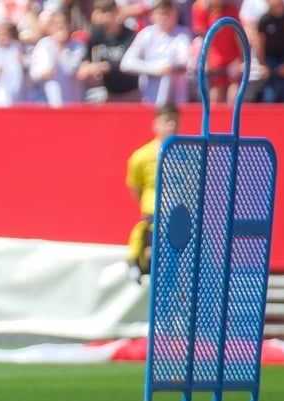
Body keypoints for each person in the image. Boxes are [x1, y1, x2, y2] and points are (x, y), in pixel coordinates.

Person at [125, 103, 179, 284]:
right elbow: (136, 187)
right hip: (153, 218)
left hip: (178, 219)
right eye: (166, 121)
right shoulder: (141, 156)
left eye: (174, 121)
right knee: (150, 262)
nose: (171, 126)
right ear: (155, 124)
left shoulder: (187, 153)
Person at [120, 0, 192, 106]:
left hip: (177, 101)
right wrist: (155, 68)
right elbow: (126, 63)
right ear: (153, 15)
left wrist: (170, 66)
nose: (165, 17)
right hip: (149, 100)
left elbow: (185, 60)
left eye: (168, 12)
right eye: (161, 13)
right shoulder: (145, 34)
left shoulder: (183, 34)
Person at [77, 0, 141, 103]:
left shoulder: (129, 35)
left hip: (131, 92)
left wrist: (106, 66)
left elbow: (127, 63)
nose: (105, 18)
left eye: (108, 13)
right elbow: (87, 54)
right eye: (102, 13)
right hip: (110, 92)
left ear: (116, 12)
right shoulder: (98, 32)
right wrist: (85, 65)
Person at [254, 0, 284, 103]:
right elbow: (260, 44)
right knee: (271, 92)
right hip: (269, 58)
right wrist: (263, 65)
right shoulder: (265, 19)